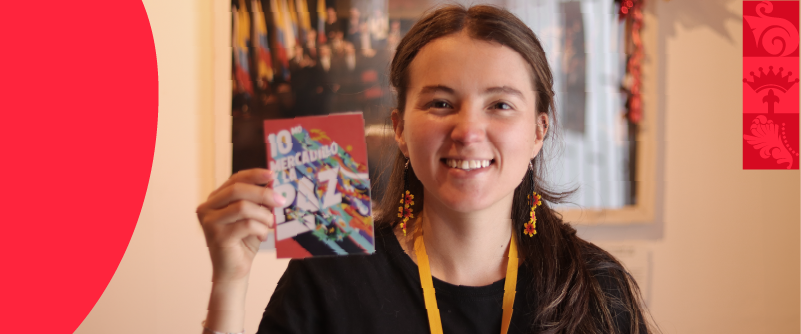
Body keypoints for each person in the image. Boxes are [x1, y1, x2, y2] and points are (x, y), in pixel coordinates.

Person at [197, 4, 653, 334]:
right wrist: (230, 284)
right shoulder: (331, 274)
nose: (468, 129)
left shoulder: (594, 284)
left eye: (499, 104)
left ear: (539, 131)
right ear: (399, 128)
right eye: (440, 103)